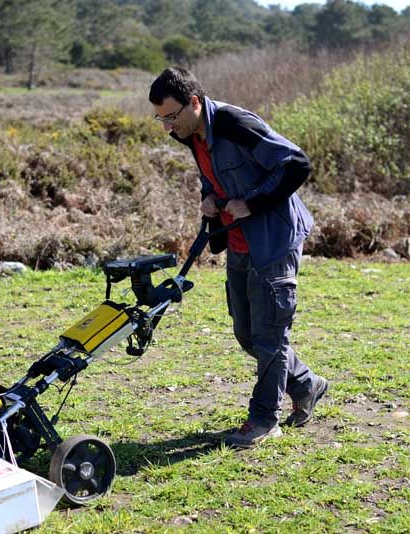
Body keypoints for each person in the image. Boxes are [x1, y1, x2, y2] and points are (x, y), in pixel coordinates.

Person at [148, 67, 328, 448]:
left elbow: (296, 164)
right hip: (239, 240)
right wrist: (209, 199)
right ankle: (307, 385)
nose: (166, 127)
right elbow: (215, 177)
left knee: (269, 335)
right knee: (247, 333)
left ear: (194, 103)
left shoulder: (234, 123)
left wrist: (253, 202)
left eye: (171, 116)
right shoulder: (190, 133)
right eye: (160, 119)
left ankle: (264, 420)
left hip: (273, 240)